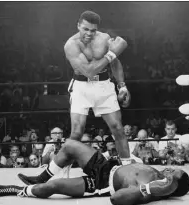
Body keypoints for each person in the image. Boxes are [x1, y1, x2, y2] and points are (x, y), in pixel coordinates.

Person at [16, 10, 132, 185]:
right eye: (85, 29)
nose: (89, 34)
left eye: (93, 30)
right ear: (78, 25)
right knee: (76, 133)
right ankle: (48, 176)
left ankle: (128, 172)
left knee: (118, 129)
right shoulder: (71, 45)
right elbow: (89, 70)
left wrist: (122, 85)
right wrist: (112, 52)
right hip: (81, 86)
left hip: (104, 86)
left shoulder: (104, 38)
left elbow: (115, 63)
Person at [0, 138, 189, 205]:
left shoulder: (151, 190)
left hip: (100, 183)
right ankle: (40, 175)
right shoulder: (173, 178)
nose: (168, 167)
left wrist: (149, 189)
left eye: (172, 172)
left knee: (52, 189)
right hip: (107, 164)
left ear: (171, 185)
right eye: (172, 168)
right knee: (72, 145)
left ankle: (21, 191)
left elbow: (116, 200)